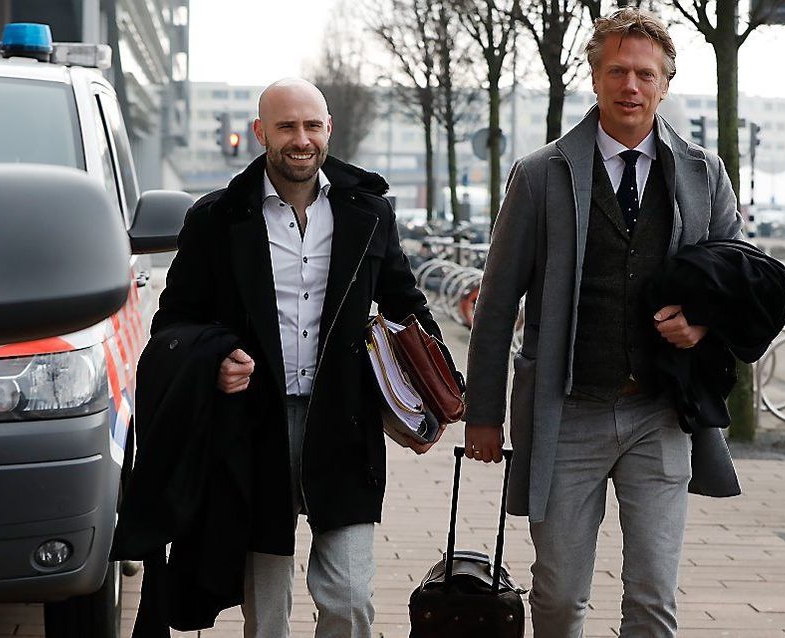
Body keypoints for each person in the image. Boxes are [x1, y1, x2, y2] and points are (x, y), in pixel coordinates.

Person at [463, 8, 742, 637]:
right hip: (568, 413)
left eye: (645, 73)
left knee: (653, 597)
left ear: (665, 84)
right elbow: (498, 300)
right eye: (617, 70)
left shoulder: (704, 173)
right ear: (595, 78)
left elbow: (736, 281)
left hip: (660, 413)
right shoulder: (540, 175)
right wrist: (482, 412)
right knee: (559, 596)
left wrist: (702, 328)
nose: (631, 86)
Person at [151, 78, 452, 638]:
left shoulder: (369, 214)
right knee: (266, 608)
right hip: (251, 429)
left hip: (344, 421)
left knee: (350, 596)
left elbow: (408, 305)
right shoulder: (216, 219)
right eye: (287, 126)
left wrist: (437, 390)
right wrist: (214, 358)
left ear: (328, 131)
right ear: (261, 132)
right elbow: (174, 322)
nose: (301, 139)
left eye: (312, 126)